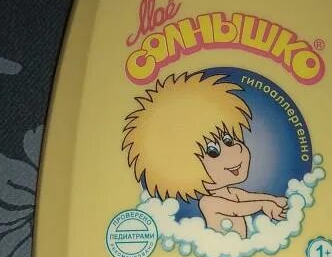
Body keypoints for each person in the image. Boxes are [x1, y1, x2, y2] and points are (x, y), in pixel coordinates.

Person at [122, 70, 287, 238]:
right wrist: (264, 205)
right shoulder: (208, 202)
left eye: (229, 140)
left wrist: (273, 200)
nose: (234, 151)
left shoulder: (233, 193)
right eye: (213, 152)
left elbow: (250, 197)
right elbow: (237, 209)